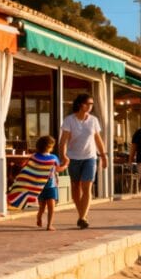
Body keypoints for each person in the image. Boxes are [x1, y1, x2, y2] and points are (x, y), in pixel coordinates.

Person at [59, 93, 108, 229]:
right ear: (81, 104)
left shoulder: (93, 120)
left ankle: (82, 217)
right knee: (76, 186)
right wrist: (64, 156)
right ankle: (81, 214)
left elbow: (98, 139)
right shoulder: (69, 120)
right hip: (73, 157)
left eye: (92, 104)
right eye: (89, 103)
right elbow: (63, 141)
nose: (91, 106)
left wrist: (103, 156)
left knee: (87, 187)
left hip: (90, 158)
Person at [32, 136, 69, 231]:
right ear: (49, 147)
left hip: (40, 186)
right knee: (50, 207)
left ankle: (46, 223)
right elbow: (58, 169)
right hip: (51, 185)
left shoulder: (35, 157)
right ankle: (46, 222)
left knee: (42, 207)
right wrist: (65, 165)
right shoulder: (53, 157)